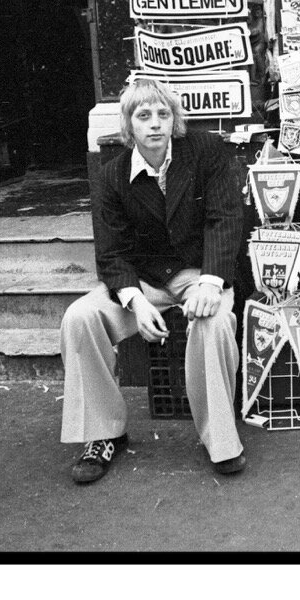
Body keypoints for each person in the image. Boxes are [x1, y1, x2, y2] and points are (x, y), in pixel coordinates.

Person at [59, 78, 246, 484]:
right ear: (129, 126)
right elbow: (111, 252)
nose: (155, 124)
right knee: (80, 318)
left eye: (163, 114)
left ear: (175, 119)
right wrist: (133, 301)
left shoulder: (206, 152)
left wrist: (211, 283)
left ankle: (220, 438)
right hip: (142, 281)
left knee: (213, 322)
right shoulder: (111, 177)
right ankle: (102, 434)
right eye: (144, 116)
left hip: (199, 273)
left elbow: (225, 219)